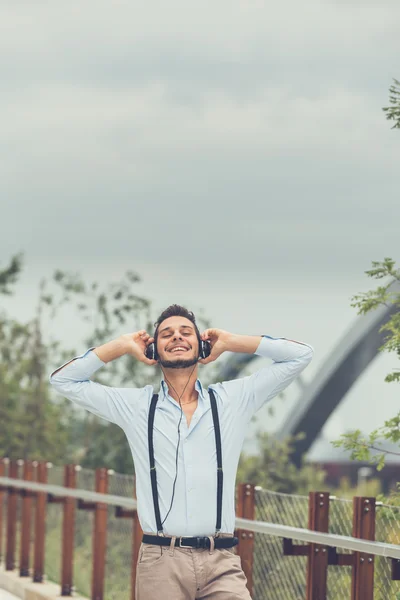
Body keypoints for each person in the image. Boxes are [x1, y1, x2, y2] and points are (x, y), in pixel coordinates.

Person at [49, 304, 313, 600]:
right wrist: (122, 345)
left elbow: (301, 355)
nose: (177, 337)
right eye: (166, 334)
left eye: (186, 332)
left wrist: (231, 342)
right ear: (153, 351)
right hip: (161, 561)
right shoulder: (137, 407)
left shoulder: (231, 401)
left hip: (222, 561)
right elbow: (63, 380)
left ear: (201, 346)